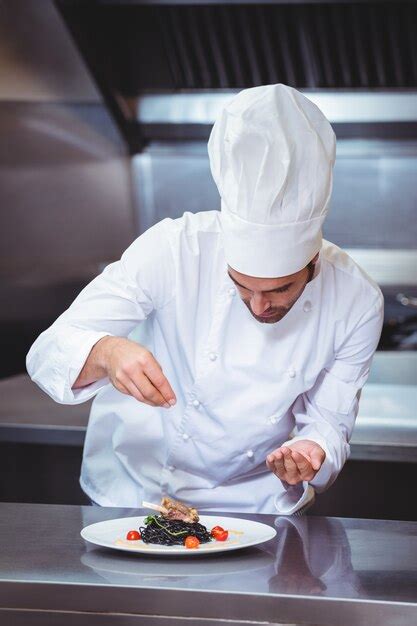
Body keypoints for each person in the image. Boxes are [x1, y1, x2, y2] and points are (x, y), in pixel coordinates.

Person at [26, 84, 383, 514]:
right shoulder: (175, 248)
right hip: (135, 493)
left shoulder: (357, 300)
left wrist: (312, 449)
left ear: (313, 262)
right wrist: (105, 351)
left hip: (257, 505)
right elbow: (48, 349)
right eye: (240, 285)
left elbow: (330, 422)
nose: (257, 306)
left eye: (280, 289)